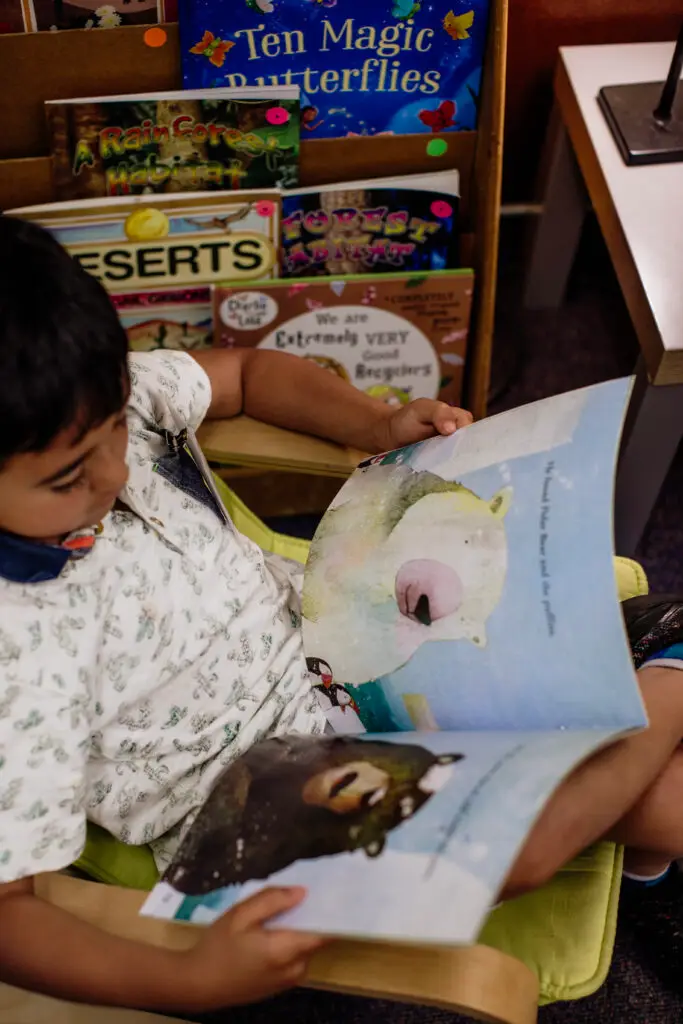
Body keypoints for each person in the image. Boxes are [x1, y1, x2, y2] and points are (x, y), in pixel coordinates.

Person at [0, 215, 682, 1013]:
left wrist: (374, 424)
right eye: (67, 477)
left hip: (347, 650)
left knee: (630, 679)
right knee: (552, 829)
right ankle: (662, 704)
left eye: (118, 425)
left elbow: (246, 372)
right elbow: (10, 914)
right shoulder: (17, 647)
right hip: (260, 794)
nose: (117, 471)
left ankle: (644, 827)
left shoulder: (83, 396)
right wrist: (186, 979)